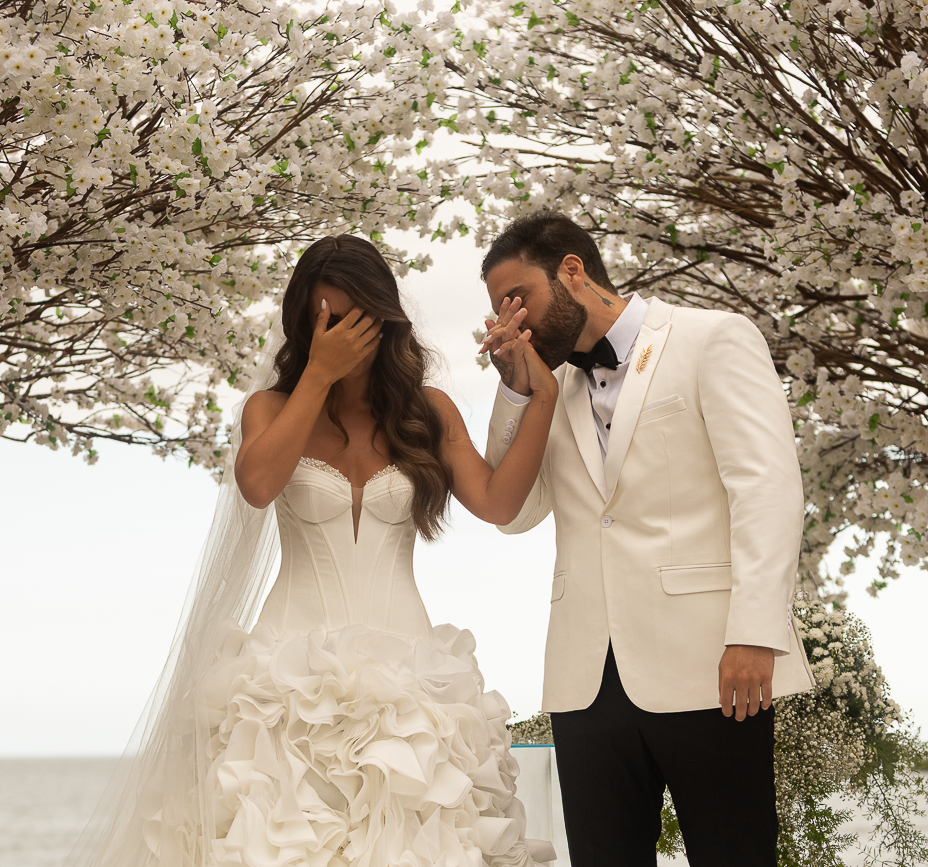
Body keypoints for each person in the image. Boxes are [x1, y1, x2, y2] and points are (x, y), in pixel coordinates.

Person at [67, 234, 559, 867]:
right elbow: (257, 485)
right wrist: (318, 375)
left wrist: (540, 397)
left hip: (408, 678)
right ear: (304, 324)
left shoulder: (427, 412)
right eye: (326, 321)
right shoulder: (270, 408)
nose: (341, 336)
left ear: (383, 318)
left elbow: (499, 504)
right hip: (285, 680)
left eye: (355, 320)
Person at [477, 211, 815, 867]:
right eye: (499, 309)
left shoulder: (712, 338)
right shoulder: (547, 389)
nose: (511, 320)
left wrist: (755, 632)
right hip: (585, 679)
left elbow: (766, 488)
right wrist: (515, 391)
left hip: (711, 666)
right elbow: (513, 514)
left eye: (519, 298)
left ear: (572, 271)